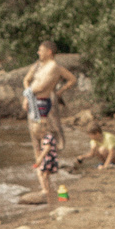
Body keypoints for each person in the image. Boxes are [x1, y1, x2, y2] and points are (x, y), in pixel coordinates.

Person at [21, 42, 76, 204]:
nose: (38, 52)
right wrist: (27, 94)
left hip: (42, 103)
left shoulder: (54, 67)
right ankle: (44, 180)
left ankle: (45, 178)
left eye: (41, 50)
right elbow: (27, 79)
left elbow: (42, 85)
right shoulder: (38, 65)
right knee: (35, 138)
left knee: (43, 136)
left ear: (49, 51)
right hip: (33, 101)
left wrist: (58, 92)